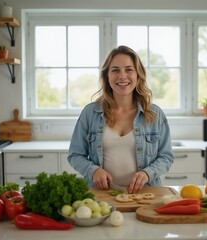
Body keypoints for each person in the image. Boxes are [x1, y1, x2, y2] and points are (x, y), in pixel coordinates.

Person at [67, 45, 174, 194]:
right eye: (115, 70)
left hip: (145, 194)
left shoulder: (154, 114)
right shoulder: (90, 113)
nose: (122, 76)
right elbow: (75, 155)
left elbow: (166, 157)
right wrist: (94, 171)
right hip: (101, 195)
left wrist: (147, 173)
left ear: (138, 75)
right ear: (107, 76)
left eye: (129, 69)